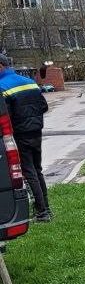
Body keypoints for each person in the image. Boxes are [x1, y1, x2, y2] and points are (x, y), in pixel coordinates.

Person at [0, 55, 50, 222]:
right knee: (37, 170)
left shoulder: (2, 86)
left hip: (20, 134)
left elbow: (6, 116)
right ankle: (46, 209)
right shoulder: (29, 81)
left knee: (29, 172)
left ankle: (42, 213)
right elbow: (44, 106)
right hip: (36, 131)